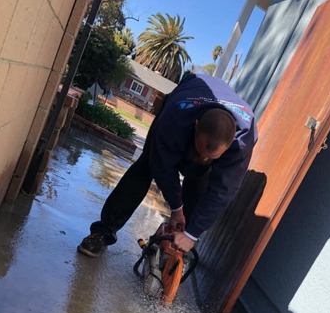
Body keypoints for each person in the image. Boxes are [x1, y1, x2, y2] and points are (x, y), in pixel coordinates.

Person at [77, 73, 258, 257]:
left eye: (211, 157)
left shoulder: (243, 140)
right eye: (202, 152)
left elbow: (223, 191)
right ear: (195, 127)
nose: (204, 159)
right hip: (186, 98)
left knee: (200, 179)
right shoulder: (174, 117)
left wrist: (192, 233)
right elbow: (162, 165)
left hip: (212, 114)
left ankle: (175, 243)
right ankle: (103, 232)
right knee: (146, 167)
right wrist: (175, 207)